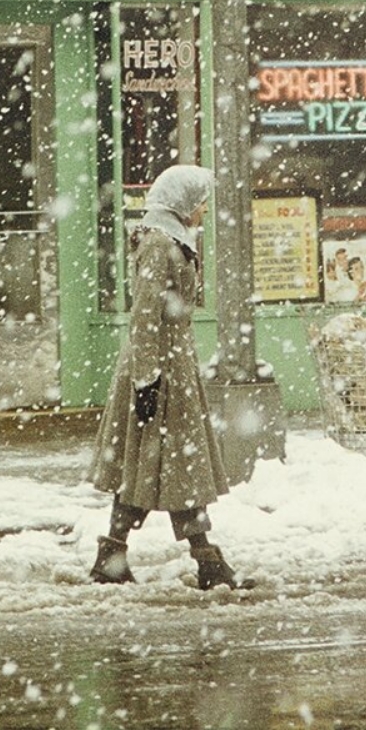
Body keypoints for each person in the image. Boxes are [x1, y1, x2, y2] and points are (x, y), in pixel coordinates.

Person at [87, 164, 253, 591]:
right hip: (161, 369)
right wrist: (147, 380)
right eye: (200, 203)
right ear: (181, 202)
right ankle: (202, 559)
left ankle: (119, 556)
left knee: (162, 464)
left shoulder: (172, 240)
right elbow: (145, 318)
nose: (204, 210)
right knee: (169, 463)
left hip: (172, 367)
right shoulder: (159, 245)